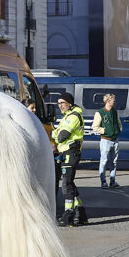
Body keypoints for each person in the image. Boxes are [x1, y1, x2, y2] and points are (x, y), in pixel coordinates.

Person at [53, 91, 87, 225]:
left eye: (62, 103)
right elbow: (58, 133)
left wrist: (56, 135)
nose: (60, 106)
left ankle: (68, 214)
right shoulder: (67, 116)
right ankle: (80, 212)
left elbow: (61, 136)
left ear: (70, 103)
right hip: (66, 153)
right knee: (70, 183)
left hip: (71, 152)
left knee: (66, 184)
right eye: (58, 103)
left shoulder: (73, 116)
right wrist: (57, 134)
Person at [91, 92, 122, 188]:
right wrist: (104, 130)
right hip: (105, 140)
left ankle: (112, 181)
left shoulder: (114, 111)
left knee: (114, 161)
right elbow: (94, 127)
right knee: (104, 161)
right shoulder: (100, 112)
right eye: (113, 100)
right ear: (108, 101)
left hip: (115, 140)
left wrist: (119, 130)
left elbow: (119, 123)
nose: (114, 102)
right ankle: (103, 181)